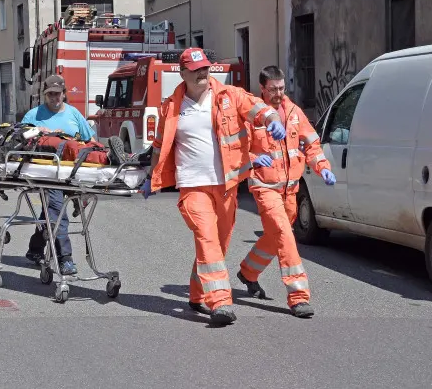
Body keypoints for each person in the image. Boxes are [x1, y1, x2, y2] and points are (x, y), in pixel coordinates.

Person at [142, 48, 286, 325]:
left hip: (226, 184)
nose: (202, 74)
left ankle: (197, 295)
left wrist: (272, 119)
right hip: (192, 185)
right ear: (182, 73)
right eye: (196, 70)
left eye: (205, 68)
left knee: (217, 246)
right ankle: (220, 302)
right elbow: (160, 145)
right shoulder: (172, 106)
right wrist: (152, 177)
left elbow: (257, 107)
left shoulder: (229, 95)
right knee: (207, 238)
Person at [236, 66, 335, 318]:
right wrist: (255, 158)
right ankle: (298, 297)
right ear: (262, 88)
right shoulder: (252, 114)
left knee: (274, 236)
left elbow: (311, 144)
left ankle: (248, 272)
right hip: (265, 187)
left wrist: (322, 167)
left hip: (290, 189)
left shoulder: (293, 112)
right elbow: (236, 151)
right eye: (273, 89)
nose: (279, 93)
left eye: (281, 88)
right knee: (284, 235)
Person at [22, 74, 95, 276]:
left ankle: (35, 249)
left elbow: (89, 140)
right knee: (57, 210)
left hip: (70, 172)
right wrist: (38, 131)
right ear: (45, 95)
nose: (54, 98)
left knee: (50, 212)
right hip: (46, 172)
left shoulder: (73, 114)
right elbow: (20, 141)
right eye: (50, 94)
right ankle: (65, 258)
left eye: (58, 94)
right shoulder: (33, 115)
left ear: (64, 93)